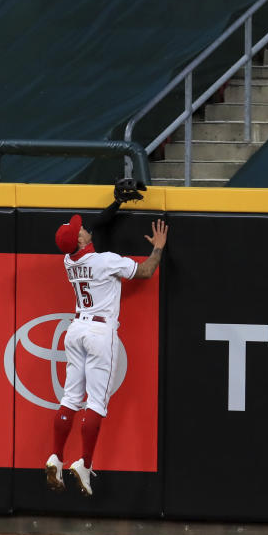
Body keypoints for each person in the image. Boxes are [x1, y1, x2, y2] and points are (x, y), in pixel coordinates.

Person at [44, 210, 167, 496]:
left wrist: (114, 205)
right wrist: (158, 247)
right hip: (100, 332)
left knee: (71, 398)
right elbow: (146, 271)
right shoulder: (105, 260)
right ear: (80, 239)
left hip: (75, 330)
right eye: (81, 229)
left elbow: (88, 236)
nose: (86, 228)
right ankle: (84, 464)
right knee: (96, 402)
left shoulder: (68, 261)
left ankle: (56, 457)